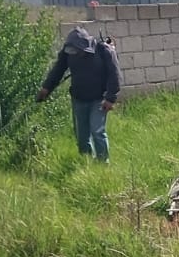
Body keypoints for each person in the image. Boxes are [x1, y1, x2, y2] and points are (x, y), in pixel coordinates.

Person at [37, 26, 121, 163]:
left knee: (97, 131)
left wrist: (110, 98)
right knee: (81, 135)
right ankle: (85, 162)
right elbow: (58, 70)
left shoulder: (103, 51)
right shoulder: (68, 53)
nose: (75, 54)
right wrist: (46, 88)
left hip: (99, 99)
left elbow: (115, 75)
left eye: (78, 51)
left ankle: (102, 163)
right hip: (79, 98)